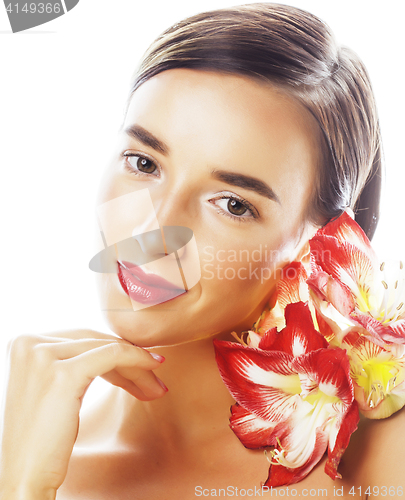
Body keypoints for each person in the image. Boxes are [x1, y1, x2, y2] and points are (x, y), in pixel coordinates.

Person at [1, 3, 403, 499]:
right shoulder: (30, 452)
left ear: (318, 244)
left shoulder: (379, 458)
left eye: (233, 203)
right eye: (143, 163)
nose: (154, 229)